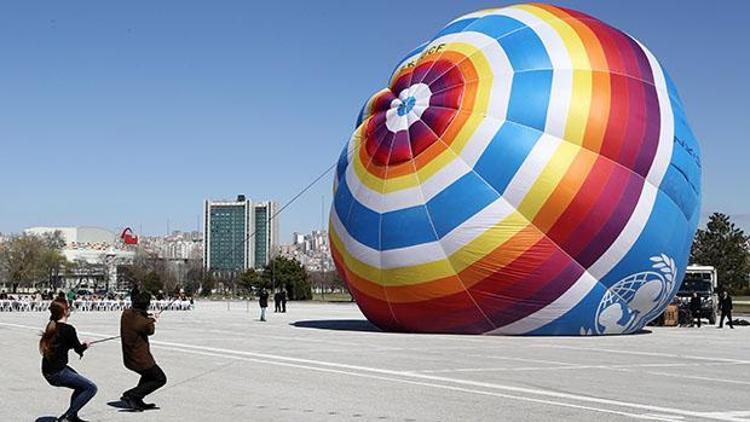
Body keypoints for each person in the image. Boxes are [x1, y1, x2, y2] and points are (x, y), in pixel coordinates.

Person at [39, 300, 97, 422]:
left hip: (48, 369)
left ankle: (73, 416)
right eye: (68, 307)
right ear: (65, 311)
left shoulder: (52, 326)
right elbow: (78, 348)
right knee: (90, 388)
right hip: (57, 372)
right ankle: (67, 418)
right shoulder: (68, 329)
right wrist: (86, 345)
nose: (70, 309)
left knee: (80, 386)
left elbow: (62, 344)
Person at [120, 291, 167, 411]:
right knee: (160, 378)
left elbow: (139, 318)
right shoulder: (143, 322)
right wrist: (153, 320)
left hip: (129, 356)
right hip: (140, 359)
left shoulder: (126, 313)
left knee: (148, 376)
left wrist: (148, 317)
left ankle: (137, 398)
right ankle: (131, 395)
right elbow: (150, 330)